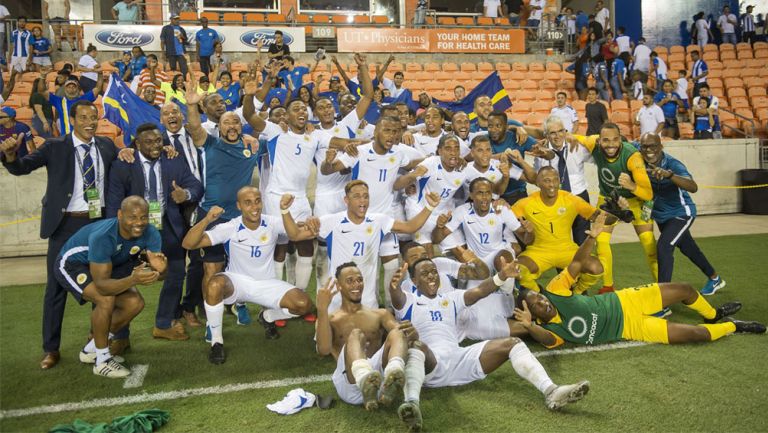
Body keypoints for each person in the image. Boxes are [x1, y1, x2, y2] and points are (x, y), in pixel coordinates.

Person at [514, 212, 765, 349]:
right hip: (630, 328)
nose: (543, 300)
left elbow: (577, 264)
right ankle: (732, 325)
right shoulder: (549, 331)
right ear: (533, 316)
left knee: (685, 289)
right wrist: (529, 327)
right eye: (537, 303)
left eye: (539, 296)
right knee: (696, 334)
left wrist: (591, 238)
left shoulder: (555, 291)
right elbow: (547, 341)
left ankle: (712, 314)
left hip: (626, 302)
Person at [1, 100, 123, 369]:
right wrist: (10, 156)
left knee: (100, 284)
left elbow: (125, 169)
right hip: (64, 226)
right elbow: (23, 166)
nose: (90, 122)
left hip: (97, 224)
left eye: (94, 117)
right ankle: (51, 348)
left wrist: (128, 154)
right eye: (84, 117)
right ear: (73, 119)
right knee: (55, 288)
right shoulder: (55, 146)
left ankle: (97, 341)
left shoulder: (106, 146)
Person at [389, 256, 591, 413]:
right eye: (425, 273)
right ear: (414, 280)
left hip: (459, 360)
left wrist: (502, 275)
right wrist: (393, 287)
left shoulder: (450, 299)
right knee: (417, 346)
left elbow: (479, 291)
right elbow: (397, 297)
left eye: (434, 271)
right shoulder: (408, 301)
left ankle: (551, 391)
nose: (432, 275)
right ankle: (411, 404)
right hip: (430, 365)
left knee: (513, 343)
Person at [182, 188, 315, 362]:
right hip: (238, 282)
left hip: (267, 283)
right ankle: (216, 342)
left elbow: (296, 234)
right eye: (248, 202)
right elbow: (188, 243)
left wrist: (296, 215)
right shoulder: (230, 227)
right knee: (214, 284)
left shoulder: (273, 223)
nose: (254, 206)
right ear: (239, 206)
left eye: (257, 201)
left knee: (304, 305)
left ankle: (267, 317)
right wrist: (207, 219)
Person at [282, 179, 440, 312]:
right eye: (356, 196)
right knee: (330, 347)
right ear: (346, 200)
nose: (362, 201)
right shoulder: (331, 222)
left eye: (365, 196)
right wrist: (285, 211)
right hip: (338, 299)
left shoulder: (379, 221)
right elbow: (295, 235)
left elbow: (410, 227)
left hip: (367, 300)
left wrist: (430, 207)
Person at [107, 123, 203, 341]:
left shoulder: (173, 159)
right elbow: (114, 204)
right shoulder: (124, 164)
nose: (155, 146)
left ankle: (163, 323)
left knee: (177, 273)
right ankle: (120, 336)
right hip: (132, 230)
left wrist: (185, 194)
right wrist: (116, 234)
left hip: (166, 225)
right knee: (122, 277)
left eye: (158, 141)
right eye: (148, 142)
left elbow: (196, 186)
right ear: (137, 144)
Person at [183, 74, 265, 330]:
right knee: (212, 270)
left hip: (241, 219)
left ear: (241, 127)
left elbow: (276, 134)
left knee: (240, 268)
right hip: (213, 216)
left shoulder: (252, 147)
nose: (232, 126)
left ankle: (238, 304)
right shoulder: (211, 144)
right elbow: (195, 129)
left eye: (236, 123)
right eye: (227, 122)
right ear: (219, 126)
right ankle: (212, 318)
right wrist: (191, 105)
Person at [53, 196, 166, 377]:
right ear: (120, 215)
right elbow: (103, 286)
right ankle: (102, 360)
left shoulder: (151, 232)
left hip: (107, 265)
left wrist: (161, 269)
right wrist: (133, 279)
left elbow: (161, 274)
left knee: (134, 303)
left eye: (143, 217)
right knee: (105, 299)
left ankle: (92, 350)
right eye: (133, 217)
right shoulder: (103, 236)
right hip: (72, 264)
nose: (139, 222)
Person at [315, 263, 413, 422]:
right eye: (350, 280)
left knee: (398, 331)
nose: (356, 284)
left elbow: (402, 336)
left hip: (379, 383)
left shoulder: (379, 313)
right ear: (339, 285)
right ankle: (363, 378)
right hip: (351, 384)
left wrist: (410, 333)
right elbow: (323, 350)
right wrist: (321, 310)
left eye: (359, 280)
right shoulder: (330, 319)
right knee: (356, 334)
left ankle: (393, 376)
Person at [572, 123, 656, 294]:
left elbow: (648, 194)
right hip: (608, 200)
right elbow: (576, 137)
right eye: (606, 140)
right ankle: (608, 286)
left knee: (649, 245)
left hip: (636, 201)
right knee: (601, 242)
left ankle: (662, 287)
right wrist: (568, 137)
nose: (611, 144)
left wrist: (632, 186)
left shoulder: (632, 156)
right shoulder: (593, 143)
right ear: (599, 140)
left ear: (620, 138)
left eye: (615, 140)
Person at [638, 134, 725, 295]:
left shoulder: (673, 164)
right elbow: (621, 142)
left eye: (653, 146)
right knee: (688, 248)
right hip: (660, 215)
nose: (649, 150)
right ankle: (715, 278)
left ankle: (662, 298)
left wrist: (669, 175)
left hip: (681, 213)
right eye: (645, 147)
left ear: (661, 146)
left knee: (664, 247)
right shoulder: (638, 154)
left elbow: (693, 187)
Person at [510, 166, 605, 293]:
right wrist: (500, 205)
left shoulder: (571, 199)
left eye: (555, 180)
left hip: (567, 250)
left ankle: (577, 292)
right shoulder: (525, 203)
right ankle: (541, 294)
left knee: (596, 267)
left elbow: (598, 217)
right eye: (547, 180)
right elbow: (505, 218)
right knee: (517, 270)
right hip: (538, 251)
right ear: (538, 183)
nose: (552, 184)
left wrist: (617, 212)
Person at [533, 116, 594, 244]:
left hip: (579, 197)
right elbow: (537, 178)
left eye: (561, 131)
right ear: (547, 135)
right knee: (559, 244)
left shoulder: (577, 146)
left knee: (582, 243)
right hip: (555, 200)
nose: (557, 136)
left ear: (566, 132)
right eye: (553, 133)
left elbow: (598, 158)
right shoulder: (541, 153)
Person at [37, 73, 105, 137]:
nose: (71, 89)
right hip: (67, 139)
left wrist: (100, 74)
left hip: (83, 137)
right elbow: (42, 91)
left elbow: (98, 88)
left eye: (73, 87)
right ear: (65, 89)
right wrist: (43, 76)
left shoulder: (83, 99)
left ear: (77, 89)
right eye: (69, 87)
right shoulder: (59, 101)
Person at [160, 14, 189, 79]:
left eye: (178, 19)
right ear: (171, 19)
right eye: (175, 19)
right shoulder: (166, 28)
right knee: (173, 69)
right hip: (171, 52)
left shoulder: (181, 29)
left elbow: (186, 41)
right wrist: (162, 52)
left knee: (184, 69)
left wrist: (182, 36)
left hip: (181, 52)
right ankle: (175, 82)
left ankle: (184, 82)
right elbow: (162, 41)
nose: (177, 21)